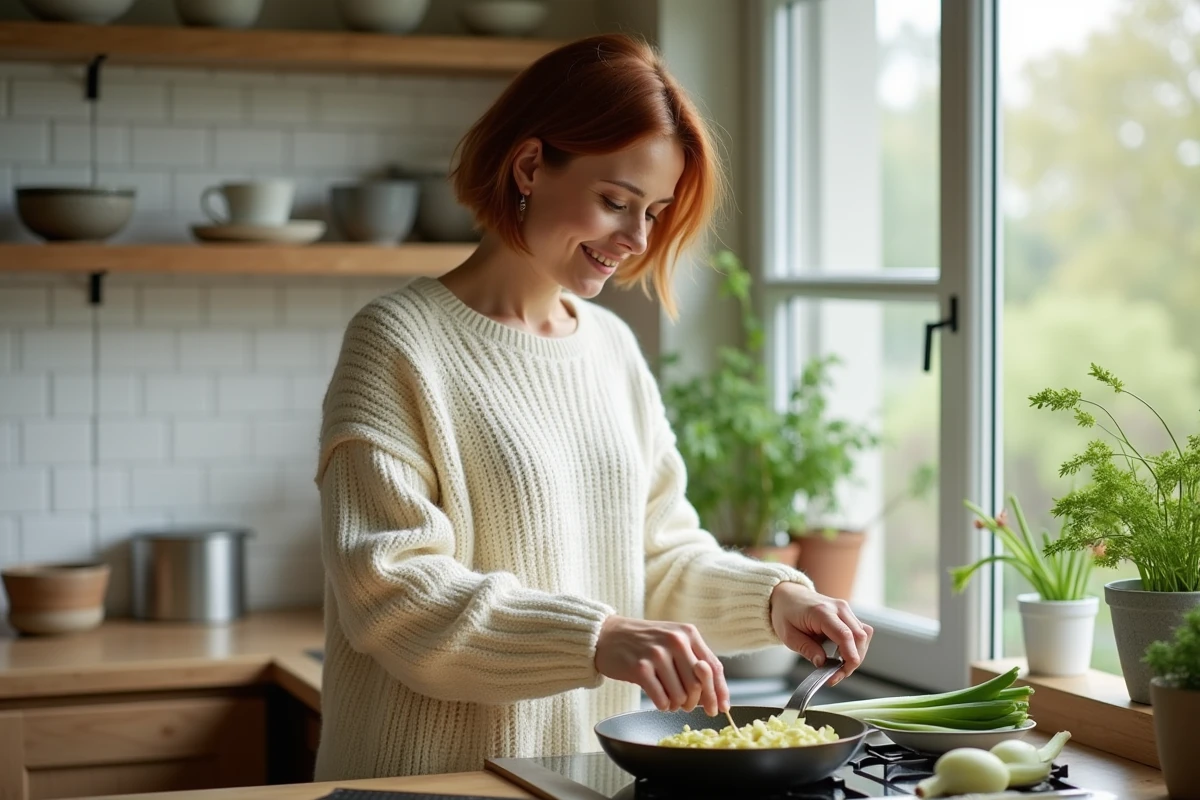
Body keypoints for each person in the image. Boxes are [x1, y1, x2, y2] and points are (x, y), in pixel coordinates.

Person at [314, 32, 874, 781]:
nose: (636, 239)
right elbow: (393, 594)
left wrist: (775, 600)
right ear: (531, 165)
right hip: (430, 781)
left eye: (655, 212)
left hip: (587, 779)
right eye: (616, 202)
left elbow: (657, 557)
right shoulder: (397, 344)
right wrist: (596, 637)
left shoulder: (609, 347)